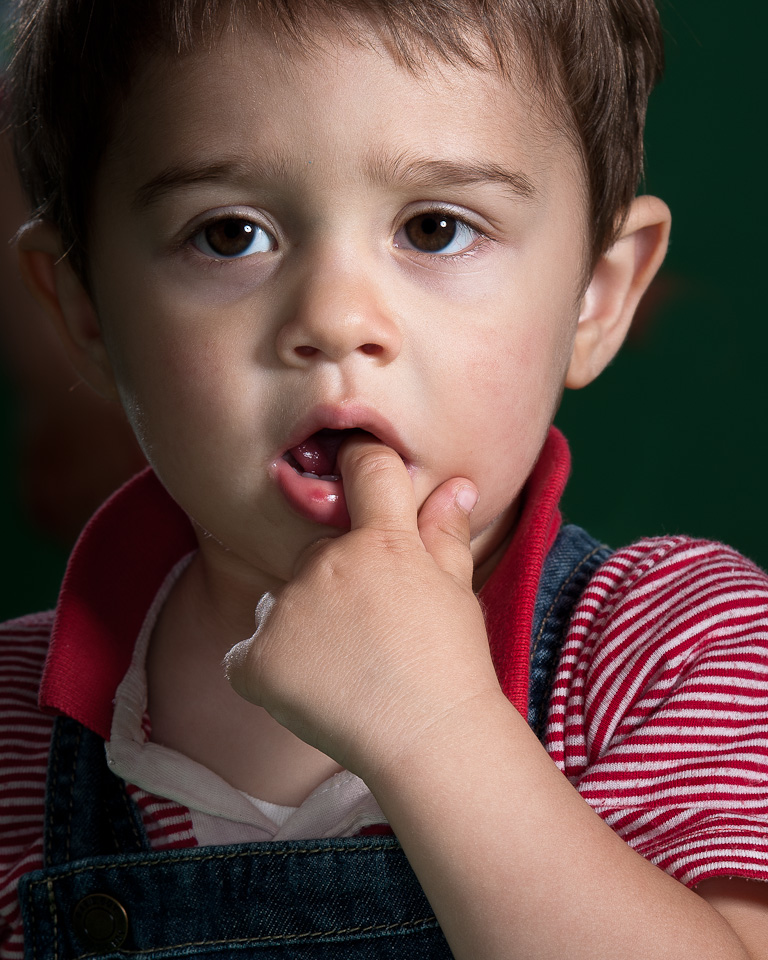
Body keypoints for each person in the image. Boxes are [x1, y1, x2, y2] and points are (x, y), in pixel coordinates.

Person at [1, 1, 766, 958]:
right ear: (86, 311)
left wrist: (435, 730)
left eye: (436, 229)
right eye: (229, 235)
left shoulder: (675, 651)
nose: (335, 317)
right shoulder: (13, 728)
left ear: (597, 297)